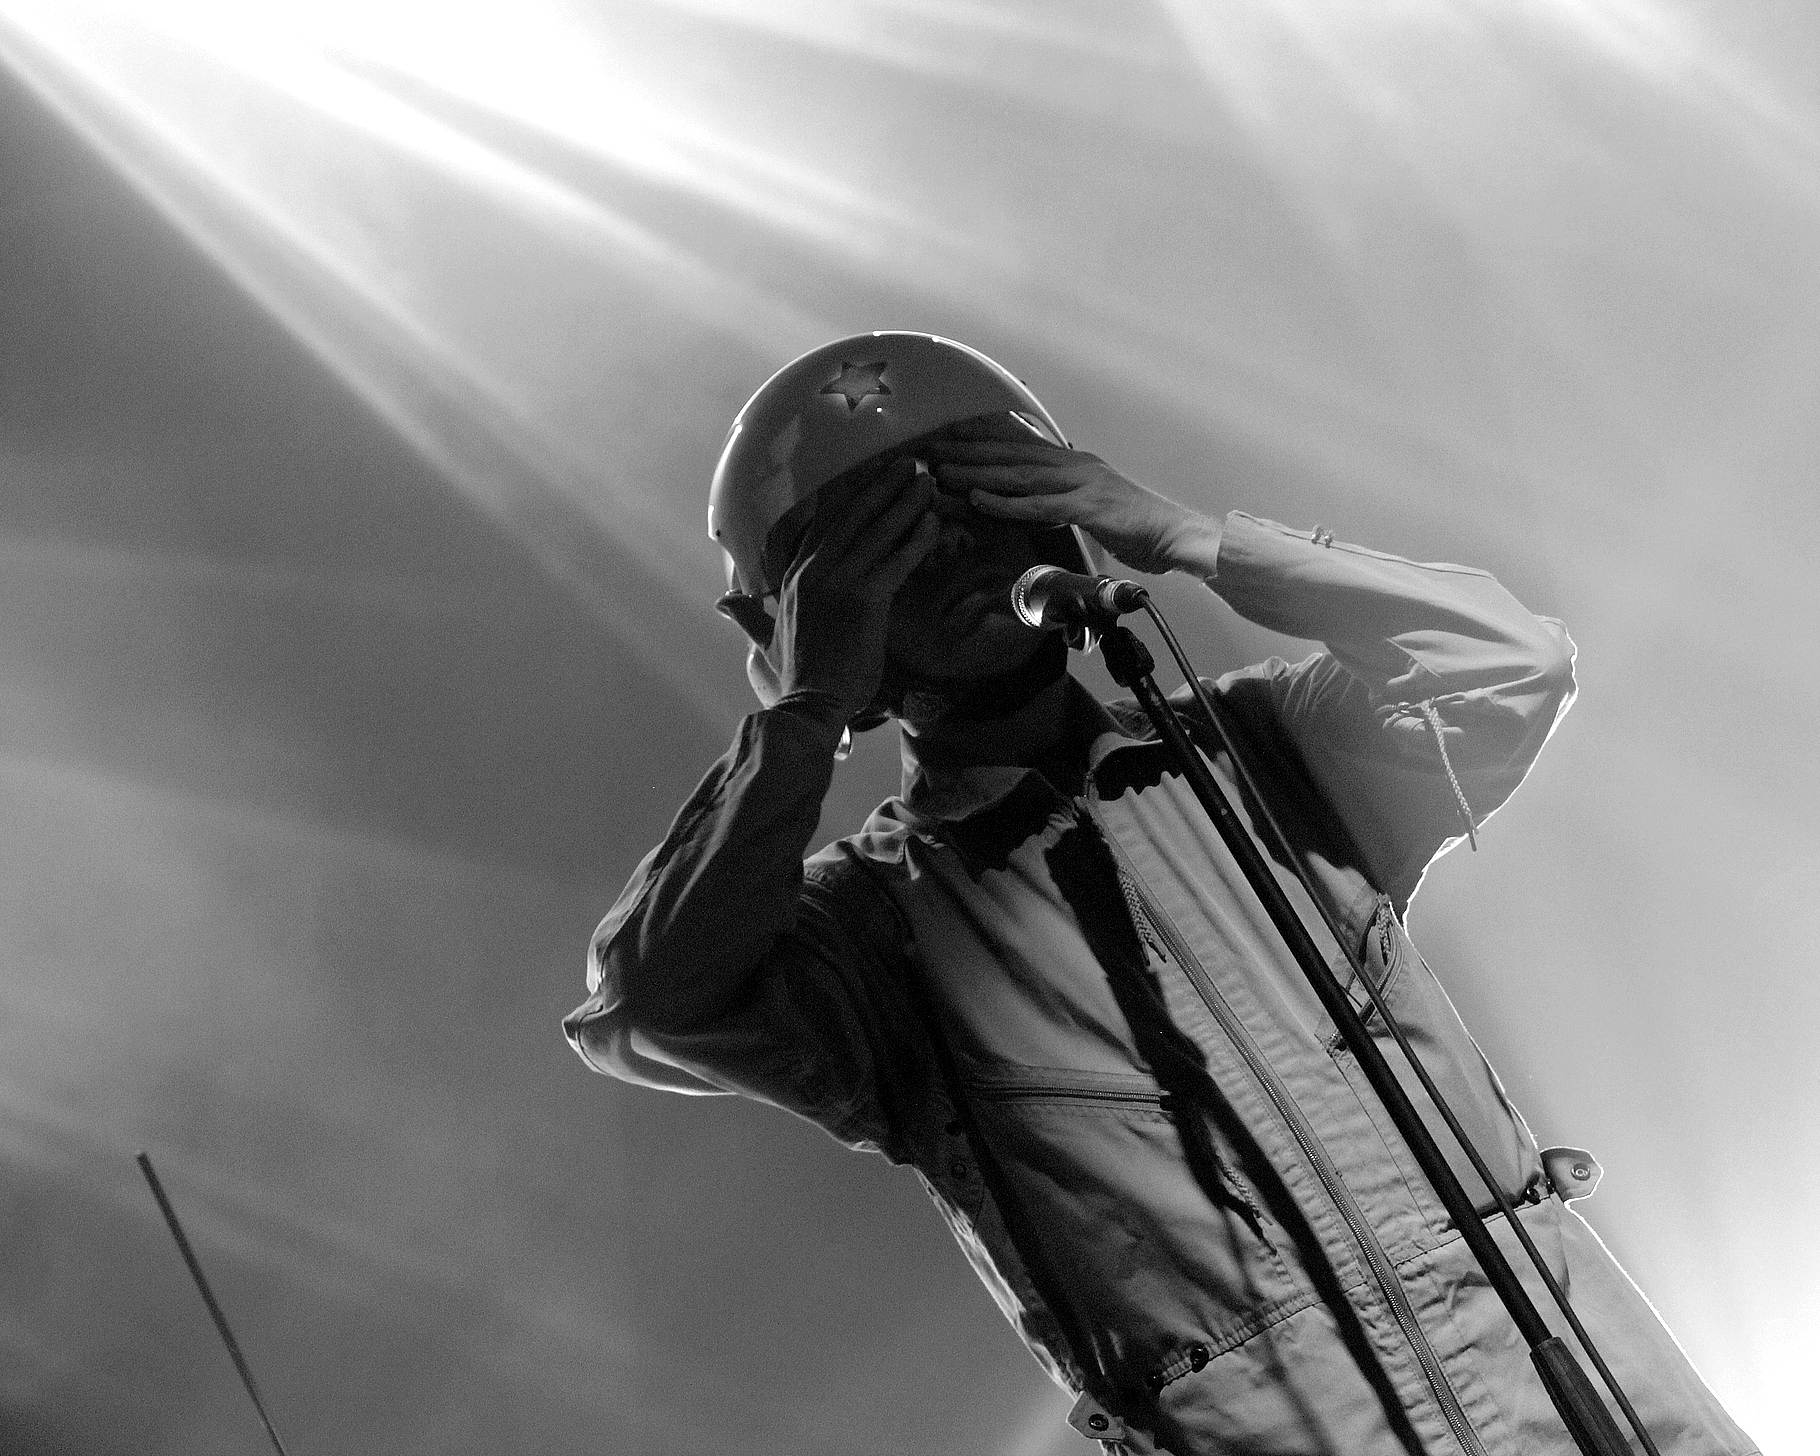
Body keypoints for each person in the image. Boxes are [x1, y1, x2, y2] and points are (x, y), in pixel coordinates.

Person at [565, 333, 1756, 1456]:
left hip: (1604, 1416)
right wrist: (805, 708)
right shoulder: (875, 933)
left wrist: (1178, 533)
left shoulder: (1264, 744)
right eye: (894, 547)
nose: (957, 558)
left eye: (981, 507)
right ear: (817, 615)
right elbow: (652, 1001)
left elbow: (1510, 664)